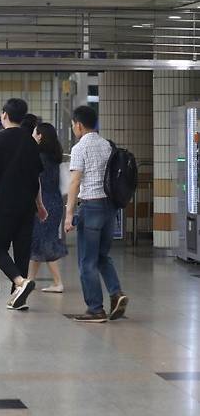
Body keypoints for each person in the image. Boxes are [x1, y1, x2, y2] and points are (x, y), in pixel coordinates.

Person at [0, 98, 48, 310]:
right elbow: (36, 178)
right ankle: (18, 297)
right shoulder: (30, 142)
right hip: (27, 205)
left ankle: (20, 282)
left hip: (5, 203)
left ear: (5, 115)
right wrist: (40, 204)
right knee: (22, 251)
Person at [65, 106, 128, 323]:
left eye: (73, 124)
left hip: (91, 206)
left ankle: (95, 309)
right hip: (110, 207)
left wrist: (69, 213)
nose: (74, 128)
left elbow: (74, 182)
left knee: (87, 262)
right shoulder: (107, 145)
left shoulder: (80, 148)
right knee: (102, 256)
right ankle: (116, 293)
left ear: (79, 125)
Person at [28, 123, 68, 292]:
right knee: (38, 241)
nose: (32, 135)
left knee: (45, 242)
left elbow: (35, 183)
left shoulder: (38, 158)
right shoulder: (54, 157)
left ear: (40, 136)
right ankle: (28, 280)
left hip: (43, 204)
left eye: (34, 133)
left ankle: (58, 283)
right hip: (55, 202)